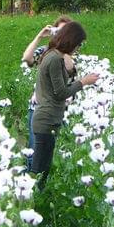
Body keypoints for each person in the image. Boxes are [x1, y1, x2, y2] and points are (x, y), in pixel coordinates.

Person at [31, 21, 100, 189]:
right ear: (71, 40)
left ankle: (36, 203)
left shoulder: (55, 56)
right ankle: (29, 204)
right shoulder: (54, 58)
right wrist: (83, 82)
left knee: (44, 170)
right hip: (45, 120)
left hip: (49, 118)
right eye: (78, 44)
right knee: (39, 170)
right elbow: (60, 92)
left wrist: (71, 71)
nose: (78, 48)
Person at [21, 16, 73, 171]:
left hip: (62, 110)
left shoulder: (72, 54)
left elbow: (70, 69)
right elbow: (27, 58)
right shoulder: (44, 52)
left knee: (57, 151)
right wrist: (39, 36)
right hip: (39, 107)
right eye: (59, 31)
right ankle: (33, 185)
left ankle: (47, 185)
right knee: (35, 151)